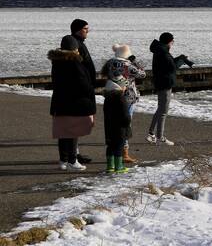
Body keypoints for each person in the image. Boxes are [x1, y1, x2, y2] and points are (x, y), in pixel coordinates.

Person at [47, 18, 96, 170]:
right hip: (75, 99)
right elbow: (82, 80)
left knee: (63, 130)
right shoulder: (74, 62)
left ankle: (63, 160)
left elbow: (56, 81)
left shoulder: (57, 60)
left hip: (61, 99)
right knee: (74, 129)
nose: (88, 31)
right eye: (85, 29)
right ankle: (72, 160)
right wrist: (90, 91)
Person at [101, 44, 146, 165]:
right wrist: (134, 60)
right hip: (127, 96)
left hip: (111, 95)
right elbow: (143, 74)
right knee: (125, 125)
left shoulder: (110, 63)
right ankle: (124, 153)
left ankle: (116, 154)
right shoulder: (129, 65)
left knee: (113, 124)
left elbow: (104, 73)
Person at [147, 32, 194, 145]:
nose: (173, 43)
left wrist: (180, 58)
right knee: (163, 111)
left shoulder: (160, 50)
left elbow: (170, 63)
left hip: (160, 82)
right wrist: (182, 60)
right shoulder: (163, 52)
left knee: (160, 109)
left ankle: (151, 134)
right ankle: (160, 137)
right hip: (165, 84)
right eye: (172, 41)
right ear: (169, 41)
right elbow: (172, 67)